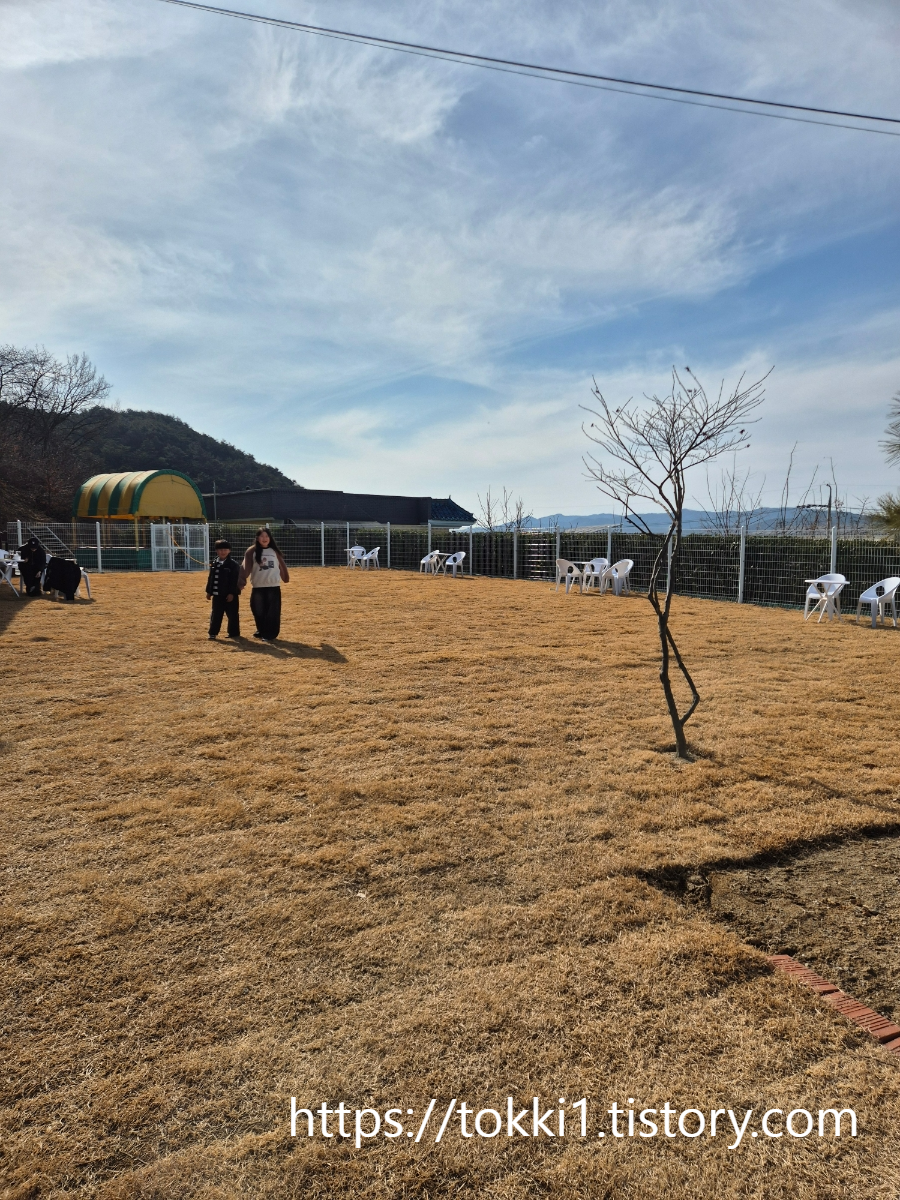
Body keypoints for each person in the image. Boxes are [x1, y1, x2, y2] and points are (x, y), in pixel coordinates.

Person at [238, 528, 289, 642]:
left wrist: (285, 577)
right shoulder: (252, 551)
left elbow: (282, 566)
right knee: (258, 610)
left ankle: (270, 634)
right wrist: (241, 580)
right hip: (258, 586)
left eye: (267, 536)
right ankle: (261, 630)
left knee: (272, 611)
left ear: (270, 538)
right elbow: (245, 567)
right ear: (257, 538)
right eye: (262, 536)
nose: (264, 539)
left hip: (273, 586)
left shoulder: (275, 551)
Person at [206, 538, 241, 639]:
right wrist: (209, 591)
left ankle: (234, 633)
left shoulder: (233, 565)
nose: (223, 552)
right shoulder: (214, 564)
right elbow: (211, 578)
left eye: (225, 549)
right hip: (217, 595)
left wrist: (232, 593)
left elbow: (235, 581)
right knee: (216, 614)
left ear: (229, 551)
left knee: (233, 615)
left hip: (230, 596)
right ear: (216, 551)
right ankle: (213, 633)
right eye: (220, 550)